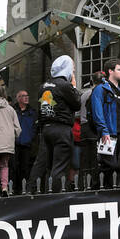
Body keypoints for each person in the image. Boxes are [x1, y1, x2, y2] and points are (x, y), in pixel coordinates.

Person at [29, 55, 81, 191]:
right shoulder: (65, 86)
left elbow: (40, 109)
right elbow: (77, 104)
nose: (73, 73)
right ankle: (55, 195)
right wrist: (74, 87)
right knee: (60, 165)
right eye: (73, 70)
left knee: (44, 164)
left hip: (46, 128)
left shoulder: (43, 86)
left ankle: (33, 190)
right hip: (62, 129)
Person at [89, 58, 120, 188]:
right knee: (108, 166)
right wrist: (103, 130)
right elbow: (97, 112)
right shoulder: (101, 89)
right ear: (110, 71)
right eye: (119, 69)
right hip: (108, 134)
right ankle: (104, 192)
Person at [12, 89, 36, 193]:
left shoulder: (32, 112)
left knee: (25, 167)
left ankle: (24, 188)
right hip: (14, 143)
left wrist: (31, 136)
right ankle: (13, 188)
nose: (26, 97)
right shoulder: (13, 111)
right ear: (18, 99)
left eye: (27, 95)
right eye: (23, 96)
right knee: (13, 167)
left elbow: (35, 126)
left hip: (27, 143)